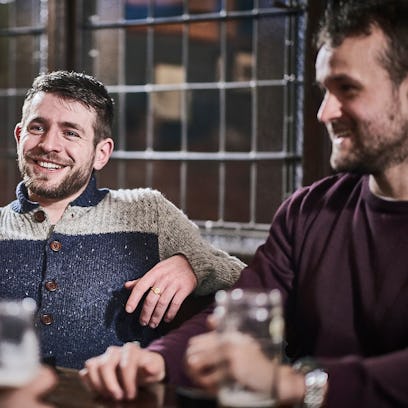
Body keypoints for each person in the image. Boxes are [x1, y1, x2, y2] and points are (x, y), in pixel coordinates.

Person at [78, 0, 408, 406]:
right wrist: (155, 362)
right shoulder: (307, 212)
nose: (325, 112)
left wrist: (298, 386)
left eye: (348, 88)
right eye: (324, 90)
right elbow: (239, 319)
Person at [0, 70, 245, 370]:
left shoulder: (148, 212)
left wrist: (194, 266)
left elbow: (246, 281)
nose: (49, 144)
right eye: (38, 127)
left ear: (101, 153)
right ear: (19, 136)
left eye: (71, 132)